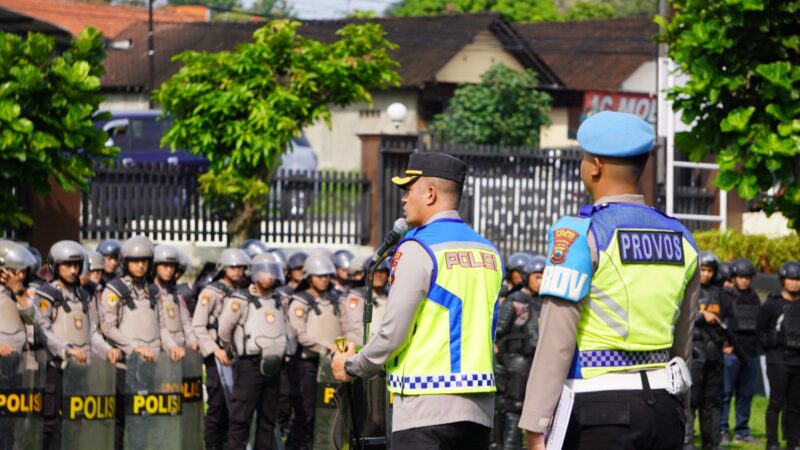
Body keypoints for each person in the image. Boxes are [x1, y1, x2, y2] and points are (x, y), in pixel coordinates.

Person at [518, 111, 700, 450]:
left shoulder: (579, 234)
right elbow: (683, 341)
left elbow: (557, 337)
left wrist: (535, 422)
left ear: (595, 167)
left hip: (597, 410)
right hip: (664, 407)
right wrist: (681, 409)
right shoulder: (682, 237)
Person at [332, 152, 504, 449]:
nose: (403, 199)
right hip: (479, 409)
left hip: (424, 409)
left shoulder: (418, 247)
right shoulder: (488, 251)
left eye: (408, 190)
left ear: (431, 194)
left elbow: (393, 333)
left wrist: (351, 366)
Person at [36, 240, 117, 449]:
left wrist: (108, 351)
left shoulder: (83, 296)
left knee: (77, 423)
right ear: (55, 266)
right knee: (50, 425)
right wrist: (66, 350)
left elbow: (91, 333)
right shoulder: (46, 295)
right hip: (56, 369)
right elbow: (43, 330)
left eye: (76, 265)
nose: (73, 270)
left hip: (81, 371)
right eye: (67, 265)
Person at [98, 235, 176, 450]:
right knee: (121, 421)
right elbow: (108, 327)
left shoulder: (154, 291)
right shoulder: (114, 289)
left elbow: (162, 327)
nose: (140, 266)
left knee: (144, 422)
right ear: (125, 262)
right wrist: (134, 348)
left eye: (145, 261)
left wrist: (172, 346)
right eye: (135, 261)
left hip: (151, 366)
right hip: (126, 367)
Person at [218, 252, 288, 450]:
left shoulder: (278, 299)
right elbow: (224, 331)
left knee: (268, 420)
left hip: (274, 366)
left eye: (272, 272)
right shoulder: (241, 299)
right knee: (240, 419)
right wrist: (230, 352)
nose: (269, 276)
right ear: (254, 273)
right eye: (265, 272)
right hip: (250, 365)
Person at [192, 248, 251, 450]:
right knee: (217, 407)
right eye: (233, 267)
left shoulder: (244, 292)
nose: (237, 271)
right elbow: (198, 326)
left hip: (237, 357)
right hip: (216, 357)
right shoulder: (211, 292)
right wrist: (215, 349)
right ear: (223, 268)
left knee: (234, 408)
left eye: (241, 267)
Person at [285, 253, 344, 450]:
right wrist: (325, 347)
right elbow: (300, 335)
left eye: (327, 275)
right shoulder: (300, 301)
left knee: (329, 413)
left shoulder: (335, 300)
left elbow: (344, 329)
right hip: (307, 364)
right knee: (306, 413)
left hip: (331, 365)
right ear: (309, 277)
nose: (324, 279)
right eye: (319, 276)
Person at [495, 260, 543, 450]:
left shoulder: (543, 301)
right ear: (526, 278)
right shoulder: (515, 300)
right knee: (514, 406)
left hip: (535, 360)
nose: (541, 281)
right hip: (516, 360)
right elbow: (499, 329)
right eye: (537, 277)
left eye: (543, 277)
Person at [0, 241, 39, 450]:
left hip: (15, 370)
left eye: (23, 272)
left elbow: (34, 319)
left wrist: (17, 291)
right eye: (17, 271)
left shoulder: (20, 293)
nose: (21, 276)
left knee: (11, 428)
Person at [757, 261, 800, 450]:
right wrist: (772, 341)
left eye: (798, 279)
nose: (795, 282)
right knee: (776, 402)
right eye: (791, 279)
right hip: (778, 361)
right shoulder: (771, 304)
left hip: (798, 362)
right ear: (783, 280)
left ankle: (793, 442)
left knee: (796, 405)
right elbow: (759, 331)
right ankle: (772, 442)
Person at [686, 251, 726, 450]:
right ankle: (687, 443)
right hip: (693, 352)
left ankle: (712, 443)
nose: (706, 274)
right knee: (690, 400)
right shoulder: (687, 290)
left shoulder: (720, 293)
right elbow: (679, 315)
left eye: (710, 270)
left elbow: (729, 318)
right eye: (702, 270)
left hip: (714, 354)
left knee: (712, 402)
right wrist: (703, 316)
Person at [719, 258, 761, 444]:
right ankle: (722, 430)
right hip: (731, 354)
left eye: (747, 277)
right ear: (733, 277)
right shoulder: (725, 296)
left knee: (746, 395)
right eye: (741, 277)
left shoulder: (754, 297)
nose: (744, 280)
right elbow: (719, 322)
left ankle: (742, 431)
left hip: (750, 352)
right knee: (725, 394)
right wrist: (723, 345)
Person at [153, 244, 197, 358]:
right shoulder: (149, 293)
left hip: (180, 352)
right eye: (165, 265)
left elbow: (185, 322)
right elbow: (158, 327)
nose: (169, 270)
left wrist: (193, 341)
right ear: (155, 266)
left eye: (172, 266)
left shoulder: (176, 293)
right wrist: (172, 346)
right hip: (161, 353)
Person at [341, 257, 390, 346]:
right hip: (366, 345)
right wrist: (375, 343)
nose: (378, 275)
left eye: (382, 271)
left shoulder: (388, 295)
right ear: (366, 275)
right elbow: (356, 327)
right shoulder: (358, 296)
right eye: (375, 271)